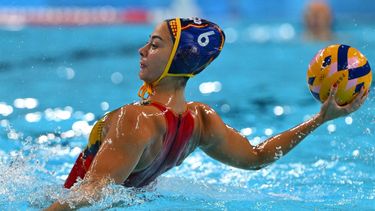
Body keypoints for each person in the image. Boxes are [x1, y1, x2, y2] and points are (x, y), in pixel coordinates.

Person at [46, 17, 367, 210]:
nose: (143, 51)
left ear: (178, 57)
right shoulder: (200, 121)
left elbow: (90, 194)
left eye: (155, 45)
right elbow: (257, 157)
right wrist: (318, 121)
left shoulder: (136, 119)